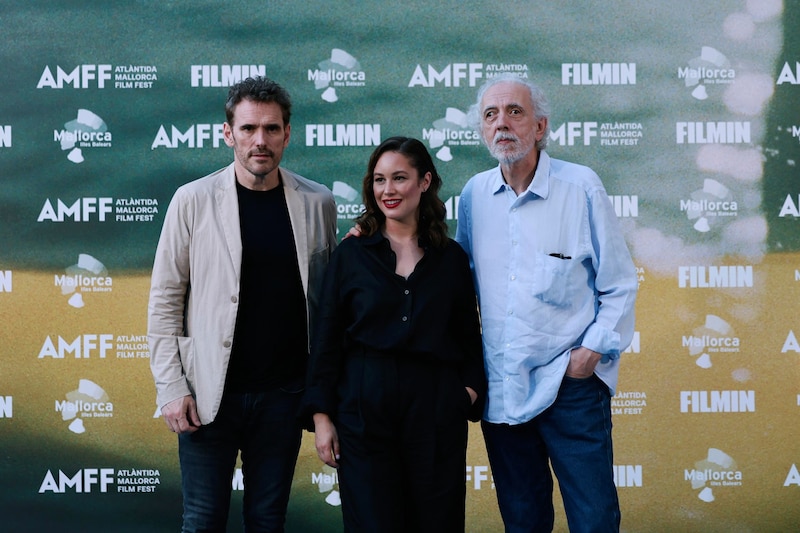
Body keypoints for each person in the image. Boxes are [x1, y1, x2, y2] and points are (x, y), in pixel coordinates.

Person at [147, 76, 337, 533]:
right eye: (249, 128)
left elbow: (328, 304)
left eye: (272, 129)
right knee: (202, 521)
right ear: (228, 133)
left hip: (283, 397)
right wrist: (171, 387)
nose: (261, 141)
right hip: (209, 395)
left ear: (288, 134)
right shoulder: (192, 200)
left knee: (267, 522)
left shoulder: (318, 202)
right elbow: (165, 299)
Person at [455, 73, 638, 533]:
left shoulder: (581, 187)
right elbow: (454, 282)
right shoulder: (474, 195)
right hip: (502, 389)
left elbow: (618, 283)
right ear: (482, 130)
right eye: (491, 115)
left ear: (540, 127)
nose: (502, 124)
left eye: (515, 112)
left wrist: (589, 355)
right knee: (523, 521)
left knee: (594, 519)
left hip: (571, 386)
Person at [302, 136, 486, 532]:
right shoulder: (351, 255)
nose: (388, 190)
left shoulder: (452, 259)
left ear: (424, 182)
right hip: (364, 414)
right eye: (380, 180)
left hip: (436, 413)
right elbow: (326, 340)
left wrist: (463, 395)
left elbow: (470, 341)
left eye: (400, 178)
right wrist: (321, 417)